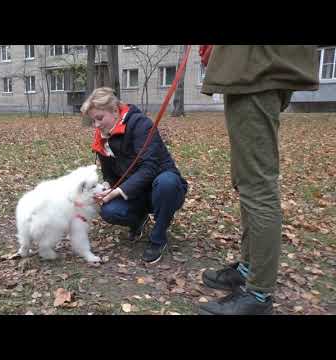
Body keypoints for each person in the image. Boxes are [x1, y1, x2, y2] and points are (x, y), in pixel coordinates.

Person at [198, 45, 320, 315]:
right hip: (255, 67)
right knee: (247, 181)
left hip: (257, 67)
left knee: (257, 186)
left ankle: (258, 294)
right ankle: (248, 269)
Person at [80, 87, 188, 264]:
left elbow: (150, 167)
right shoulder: (103, 137)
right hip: (135, 192)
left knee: (166, 183)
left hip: (162, 188)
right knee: (109, 211)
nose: (97, 125)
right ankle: (139, 219)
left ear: (114, 111)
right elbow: (110, 175)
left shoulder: (140, 124)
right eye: (93, 120)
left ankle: (158, 238)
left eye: (100, 118)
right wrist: (107, 187)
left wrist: (117, 192)